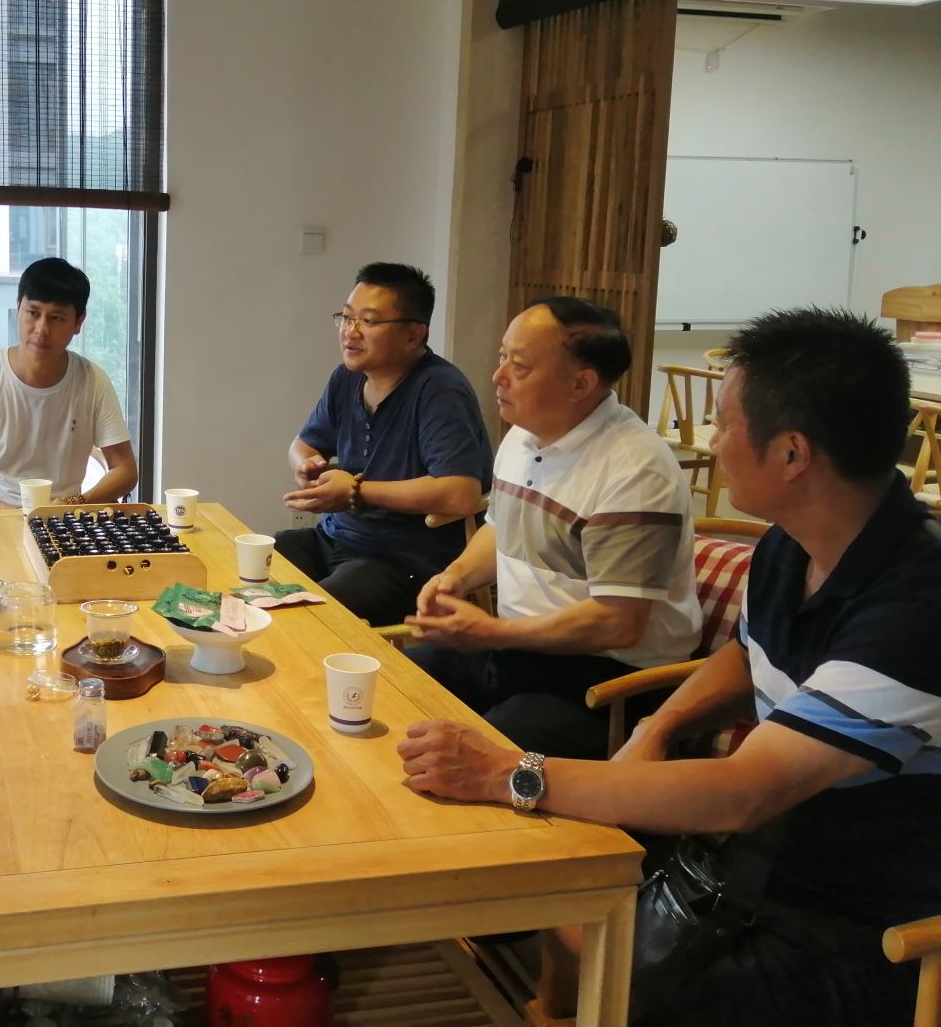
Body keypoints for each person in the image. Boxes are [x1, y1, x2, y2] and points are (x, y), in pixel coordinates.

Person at [397, 307, 938, 1027]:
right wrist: (659, 725)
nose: (709, 440)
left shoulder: (915, 608)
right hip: (755, 861)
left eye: (723, 422)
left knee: (609, 958)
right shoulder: (792, 545)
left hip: (867, 921)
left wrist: (505, 774)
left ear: (791, 454)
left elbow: (744, 791)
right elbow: (746, 655)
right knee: (563, 897)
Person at [401, 297, 699, 759]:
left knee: (476, 755)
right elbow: (500, 528)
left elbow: (618, 623)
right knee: (400, 686)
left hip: (609, 678)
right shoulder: (524, 435)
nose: (498, 376)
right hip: (522, 647)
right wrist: (454, 577)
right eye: (503, 356)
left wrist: (491, 633)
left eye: (519, 366)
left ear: (581, 383)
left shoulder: (635, 471)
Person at [274, 262, 491, 627]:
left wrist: (356, 491)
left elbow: (460, 494)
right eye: (346, 318)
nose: (350, 332)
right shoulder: (347, 378)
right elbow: (303, 444)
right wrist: (307, 465)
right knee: (257, 570)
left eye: (369, 321)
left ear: (413, 335)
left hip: (403, 560)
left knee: (313, 618)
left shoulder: (440, 390)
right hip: (334, 538)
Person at [0, 257, 137, 509]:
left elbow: (125, 469)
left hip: (61, 517)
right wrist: (12, 517)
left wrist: (74, 504)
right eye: (33, 313)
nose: (41, 329)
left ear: (78, 323)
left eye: (57, 318)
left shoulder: (93, 381)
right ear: (18, 308)